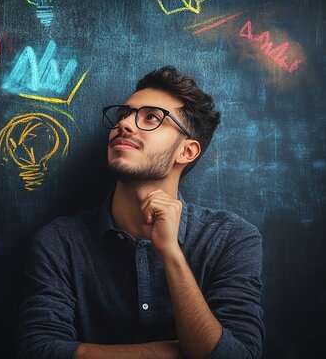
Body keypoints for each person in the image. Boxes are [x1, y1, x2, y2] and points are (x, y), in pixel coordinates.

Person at [17, 66, 264, 359]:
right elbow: (39, 350)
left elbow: (239, 355)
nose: (125, 124)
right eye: (124, 114)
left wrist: (171, 253)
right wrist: (179, 352)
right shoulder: (60, 242)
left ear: (187, 151)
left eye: (151, 118)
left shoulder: (231, 239)